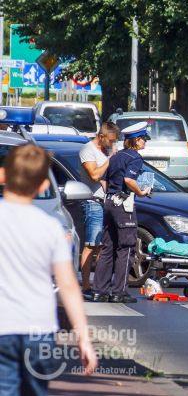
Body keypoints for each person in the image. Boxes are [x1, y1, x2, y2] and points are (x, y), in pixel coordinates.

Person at [0, 144, 97, 394]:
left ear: (4, 176)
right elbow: (67, 285)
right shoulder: (51, 227)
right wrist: (83, 337)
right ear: (44, 185)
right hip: (39, 330)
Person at [91, 122, 152, 304]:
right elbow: (129, 179)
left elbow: (104, 180)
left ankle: (99, 291)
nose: (145, 143)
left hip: (109, 201)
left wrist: (112, 192)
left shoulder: (116, 156)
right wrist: (141, 192)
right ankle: (119, 291)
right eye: (143, 140)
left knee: (108, 247)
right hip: (123, 203)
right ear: (137, 140)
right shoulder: (134, 157)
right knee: (126, 247)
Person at [78, 121, 120, 297]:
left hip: (107, 201)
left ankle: (99, 285)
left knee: (104, 245)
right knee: (91, 244)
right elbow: (94, 174)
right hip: (93, 202)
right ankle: (86, 286)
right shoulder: (87, 150)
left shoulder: (105, 150)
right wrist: (111, 160)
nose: (112, 144)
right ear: (101, 136)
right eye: (110, 141)